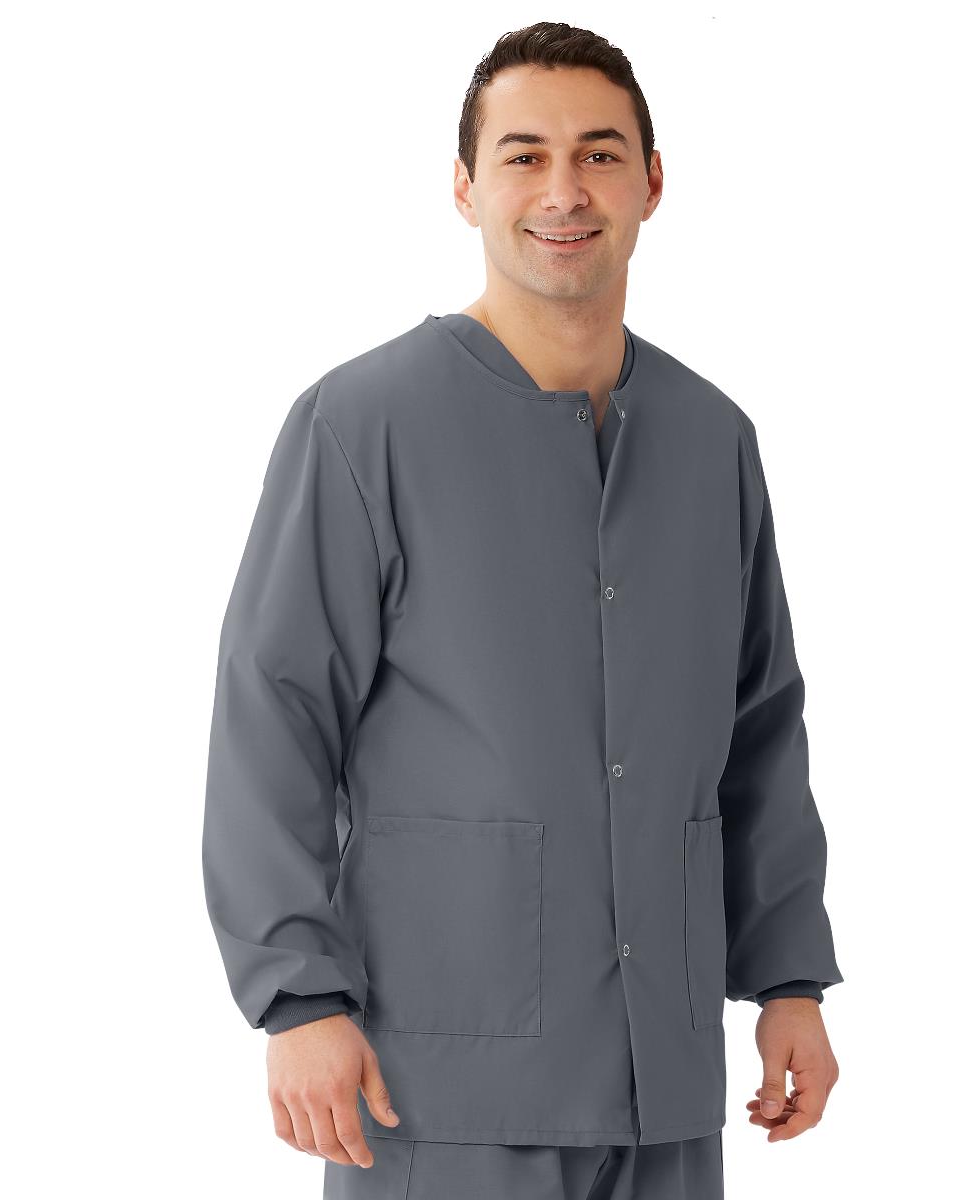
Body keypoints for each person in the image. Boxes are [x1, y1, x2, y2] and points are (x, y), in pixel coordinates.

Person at [202, 20, 843, 1200]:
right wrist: (297, 998)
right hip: (436, 1092)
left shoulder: (714, 440)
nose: (563, 191)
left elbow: (759, 728)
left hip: (663, 1089)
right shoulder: (362, 426)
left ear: (653, 182)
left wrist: (788, 980)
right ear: (465, 187)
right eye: (523, 155)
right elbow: (273, 718)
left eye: (599, 154)